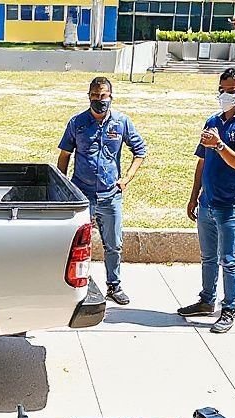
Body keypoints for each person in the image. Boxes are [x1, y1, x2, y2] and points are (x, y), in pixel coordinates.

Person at [177, 68, 235, 333]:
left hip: (231, 203)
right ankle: (206, 300)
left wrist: (219, 145)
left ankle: (229, 309)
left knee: (229, 258)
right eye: (222, 90)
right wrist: (194, 196)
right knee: (207, 256)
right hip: (207, 202)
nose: (226, 95)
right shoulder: (212, 121)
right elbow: (202, 162)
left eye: (232, 91)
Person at [58, 76, 147, 306]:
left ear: (111, 96)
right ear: (89, 96)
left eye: (104, 96)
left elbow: (140, 151)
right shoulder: (77, 123)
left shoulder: (121, 122)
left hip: (110, 195)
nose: (100, 100)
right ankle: (77, 285)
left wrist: (126, 177)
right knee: (78, 245)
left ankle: (114, 286)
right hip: (83, 195)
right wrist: (63, 186)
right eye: (95, 96)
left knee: (114, 244)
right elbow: (65, 155)